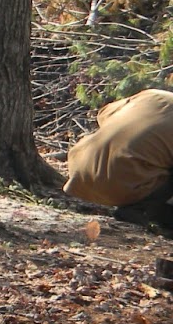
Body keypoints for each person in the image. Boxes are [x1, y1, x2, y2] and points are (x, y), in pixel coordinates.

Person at [64, 88, 173, 231]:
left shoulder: (152, 95)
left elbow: (103, 115)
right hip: (120, 184)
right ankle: (140, 210)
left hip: (79, 173)